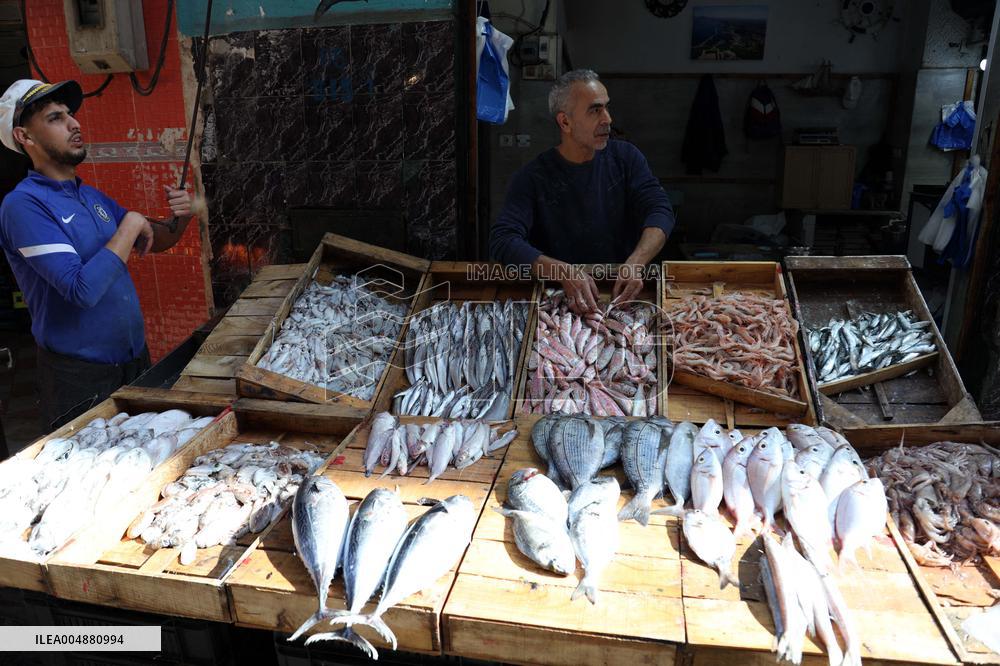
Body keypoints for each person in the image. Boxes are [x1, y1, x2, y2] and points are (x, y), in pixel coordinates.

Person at [0, 79, 194, 430]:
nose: (74, 124)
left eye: (71, 115)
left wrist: (183, 215)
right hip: (78, 379)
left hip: (135, 363)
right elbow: (81, 289)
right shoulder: (23, 205)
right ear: (24, 137)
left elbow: (154, 238)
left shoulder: (89, 197)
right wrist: (131, 223)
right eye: (56, 118)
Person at [489, 69, 675, 314]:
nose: (607, 119)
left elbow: (660, 209)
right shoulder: (532, 177)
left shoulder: (627, 158)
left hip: (622, 291)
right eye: (595, 110)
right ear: (564, 122)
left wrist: (637, 261)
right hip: (559, 299)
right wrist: (562, 271)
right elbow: (503, 240)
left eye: (607, 107)